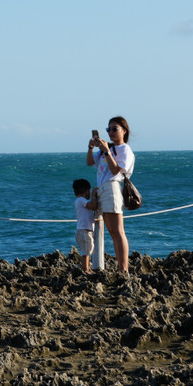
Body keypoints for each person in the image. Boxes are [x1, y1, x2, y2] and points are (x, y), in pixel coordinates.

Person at [87, 116, 135, 274]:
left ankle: (123, 269)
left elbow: (116, 171)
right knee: (113, 232)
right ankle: (121, 268)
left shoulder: (124, 149)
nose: (111, 132)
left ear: (124, 131)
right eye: (109, 129)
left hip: (112, 187)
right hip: (102, 188)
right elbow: (89, 162)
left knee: (118, 231)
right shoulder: (104, 151)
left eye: (115, 129)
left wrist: (107, 151)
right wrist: (91, 148)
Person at [73, 179, 99, 273]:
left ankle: (87, 268)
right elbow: (93, 206)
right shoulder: (81, 200)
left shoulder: (80, 200)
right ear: (86, 191)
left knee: (87, 250)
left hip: (84, 230)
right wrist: (94, 197)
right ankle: (86, 269)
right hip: (84, 231)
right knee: (86, 252)